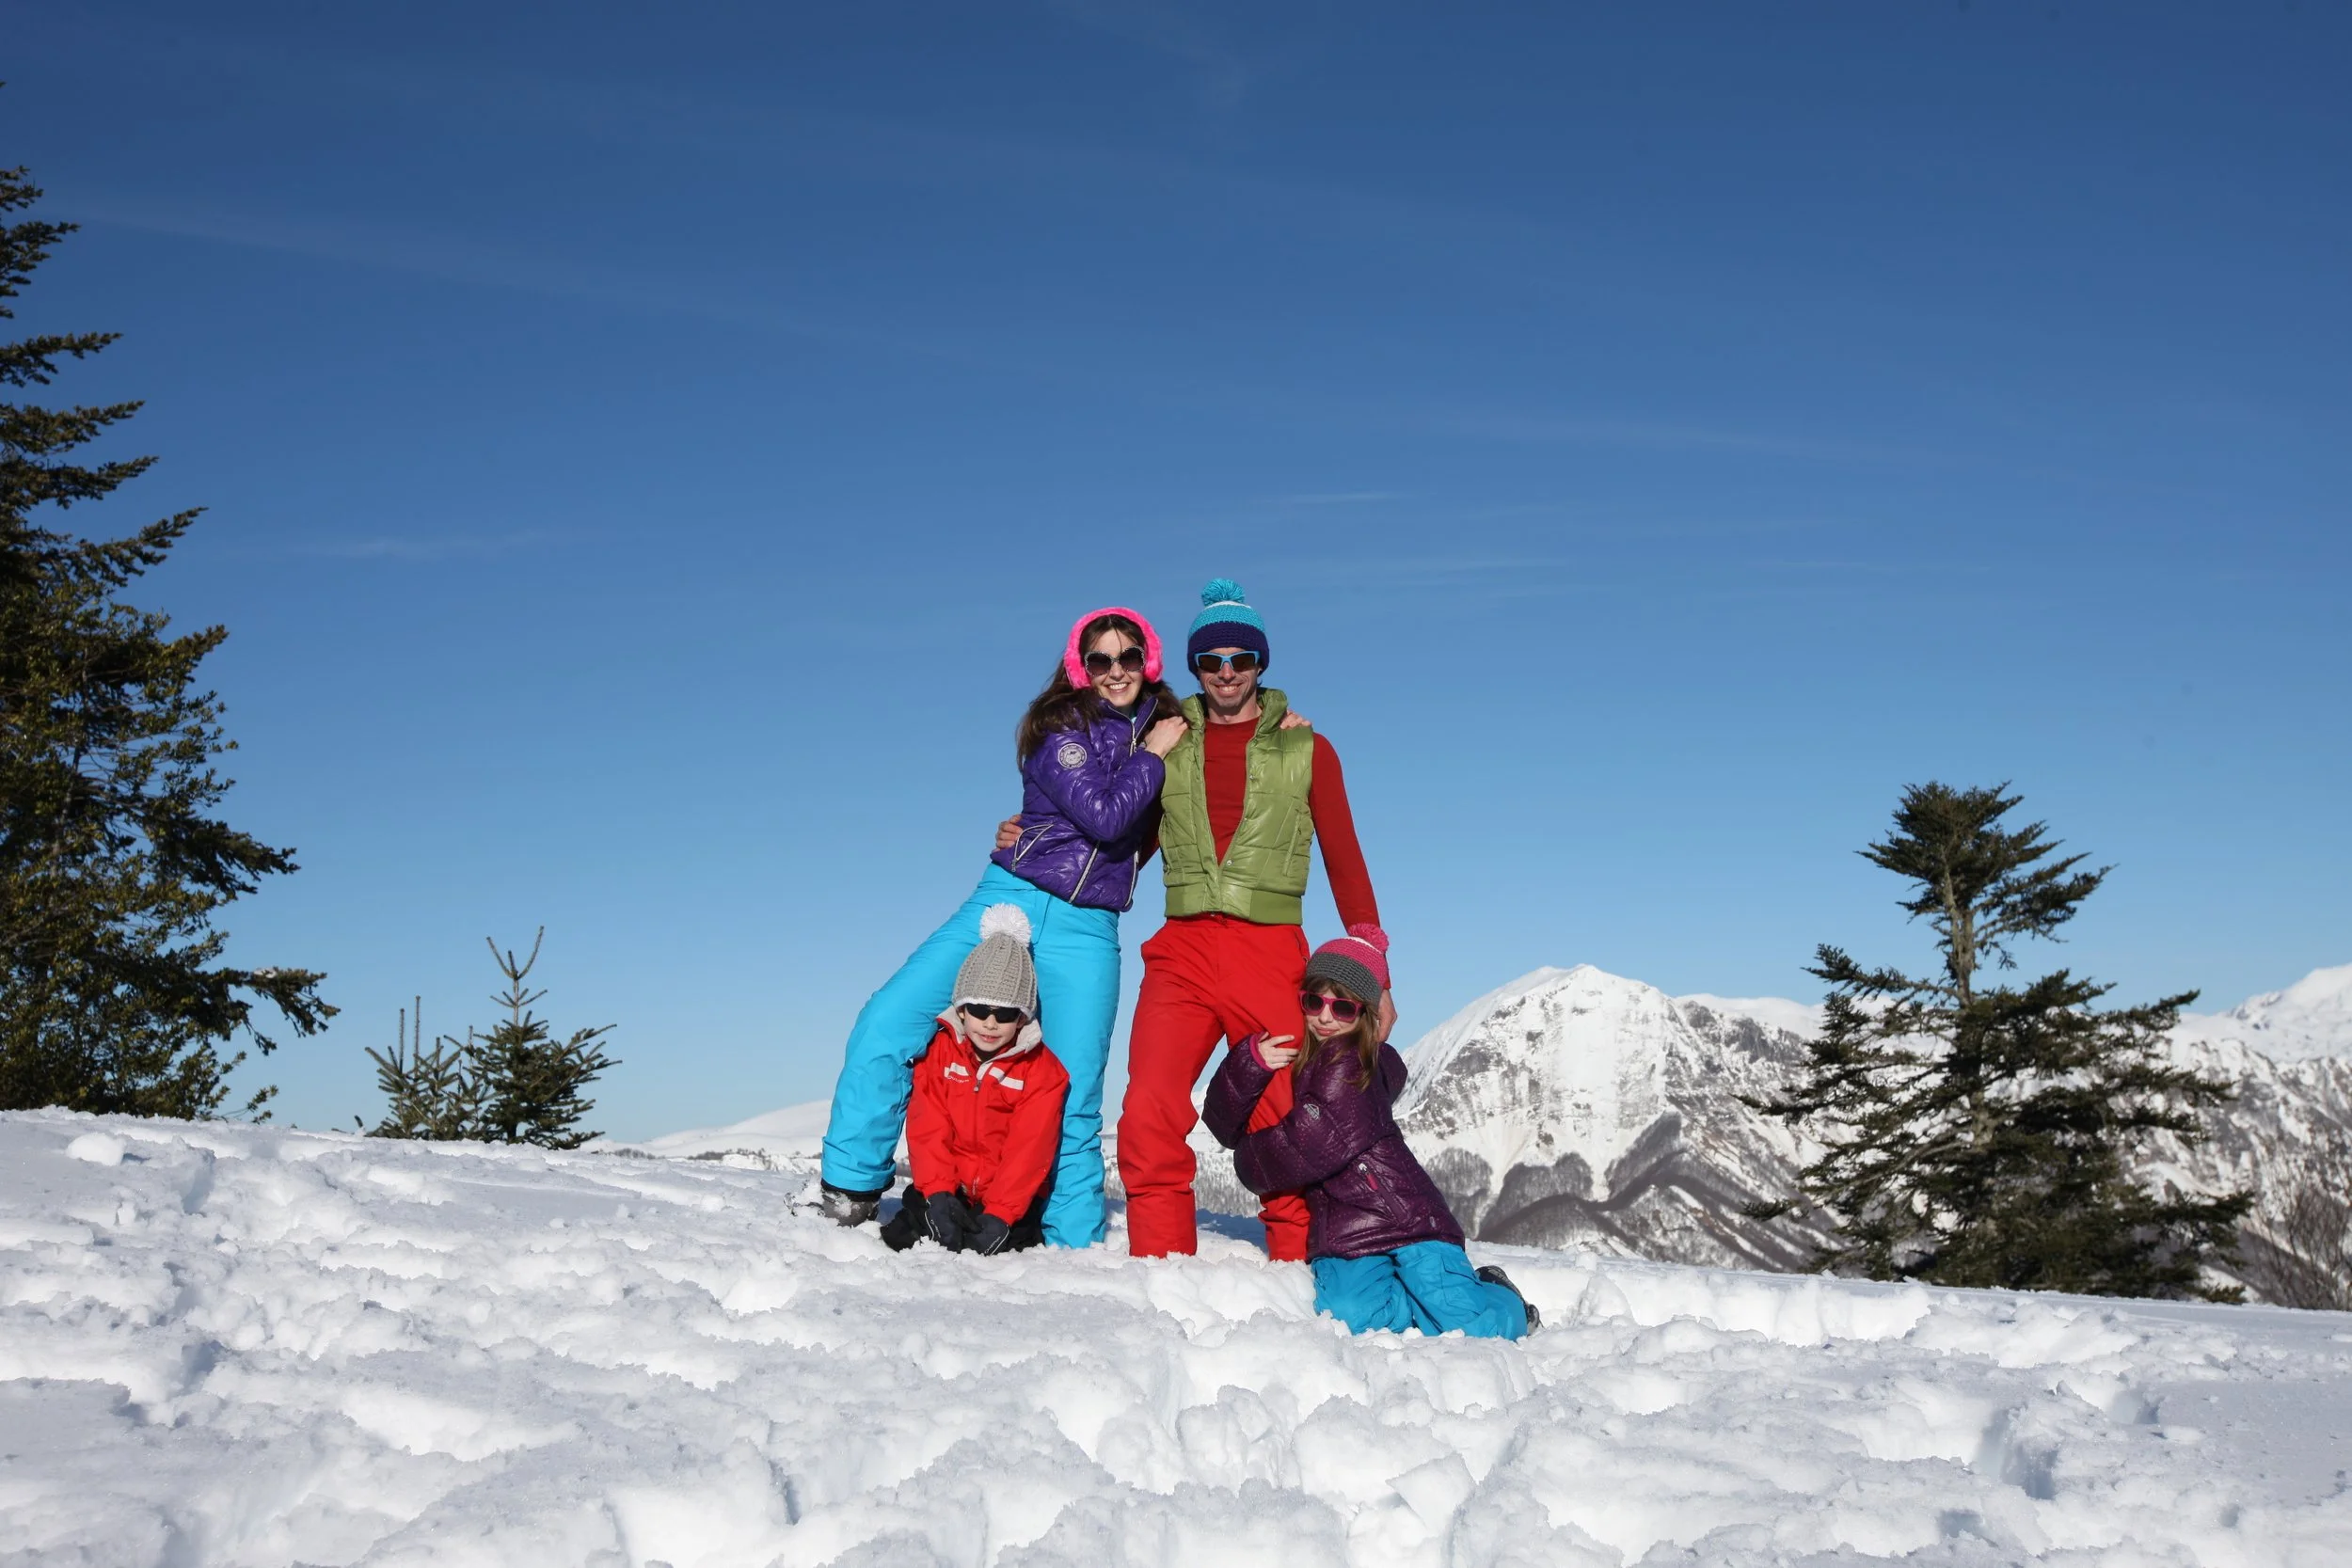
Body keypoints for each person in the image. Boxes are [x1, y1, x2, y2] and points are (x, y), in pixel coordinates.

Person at [819, 608, 1186, 1247]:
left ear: (1148, 662)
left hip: (1088, 927)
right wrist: (1153, 757)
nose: (1116, 670)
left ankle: (1070, 1237)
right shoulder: (1062, 727)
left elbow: (1142, 828)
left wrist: (1280, 717)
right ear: (1080, 669)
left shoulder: (1175, 733)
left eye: (1129, 656)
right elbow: (1103, 817)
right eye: (1100, 659)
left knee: (1073, 1088)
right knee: (889, 1019)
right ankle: (850, 1185)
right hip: (1009, 897)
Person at [1115, 578, 1389, 1259]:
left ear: (1262, 663)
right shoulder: (1167, 743)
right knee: (1148, 1105)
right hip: (1180, 947)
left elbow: (1343, 854)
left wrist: (1371, 963)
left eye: (1241, 658)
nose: (1228, 672)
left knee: (1284, 1115)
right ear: (1195, 669)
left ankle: (1297, 1267)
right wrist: (1040, 852)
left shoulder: (1309, 750)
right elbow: (1126, 843)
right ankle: (1161, 1269)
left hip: (1269, 948)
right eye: (1211, 661)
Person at [1202, 929, 1537, 1338]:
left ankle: (1508, 1301)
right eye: (1314, 1001)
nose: (1325, 1017)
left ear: (1363, 1014)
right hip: (1346, 1229)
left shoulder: (1351, 1068)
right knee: (1352, 1316)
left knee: (1465, 1323)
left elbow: (1296, 1149)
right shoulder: (1317, 1059)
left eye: (1342, 1007)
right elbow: (1221, 1123)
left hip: (1410, 1219)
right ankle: (1425, 1303)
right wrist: (1250, 1062)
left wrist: (1243, 1155)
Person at [880, 905, 1068, 1255]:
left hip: (1007, 1201)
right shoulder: (939, 1053)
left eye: (1006, 1013)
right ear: (962, 1010)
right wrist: (937, 1193)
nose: (991, 1023)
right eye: (980, 1009)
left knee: (1006, 1249)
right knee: (905, 1235)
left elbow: (1030, 1149)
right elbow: (928, 1126)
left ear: (1022, 1018)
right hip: (947, 1189)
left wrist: (1000, 1214)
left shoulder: (1042, 1071)